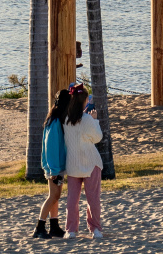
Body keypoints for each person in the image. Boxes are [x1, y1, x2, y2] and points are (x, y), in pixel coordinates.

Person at [63, 82, 103, 240]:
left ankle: (71, 230)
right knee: (93, 198)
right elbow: (97, 137)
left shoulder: (66, 119)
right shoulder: (87, 119)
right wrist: (95, 120)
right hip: (90, 162)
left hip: (73, 163)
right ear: (84, 100)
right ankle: (95, 229)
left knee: (72, 199)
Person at [33, 88, 70, 239]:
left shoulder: (55, 119)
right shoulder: (54, 122)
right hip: (54, 167)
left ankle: (54, 225)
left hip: (57, 166)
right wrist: (54, 170)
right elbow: (51, 147)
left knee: (56, 196)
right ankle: (39, 227)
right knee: (53, 196)